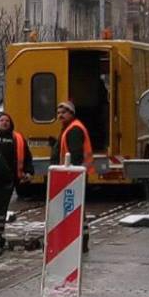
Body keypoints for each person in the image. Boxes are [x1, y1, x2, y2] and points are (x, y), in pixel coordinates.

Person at [0, 111, 32, 258]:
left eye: (7, 121)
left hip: (8, 180)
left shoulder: (17, 138)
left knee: (1, 209)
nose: (4, 123)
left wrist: (28, 171)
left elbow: (27, 157)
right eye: (2, 120)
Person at [53, 99, 93, 252]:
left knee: (74, 209)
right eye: (58, 113)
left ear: (71, 113)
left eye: (64, 112)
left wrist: (71, 173)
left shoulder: (74, 130)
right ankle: (79, 240)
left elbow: (75, 154)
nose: (60, 115)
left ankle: (80, 242)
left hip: (73, 176)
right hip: (72, 175)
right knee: (75, 209)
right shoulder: (68, 128)